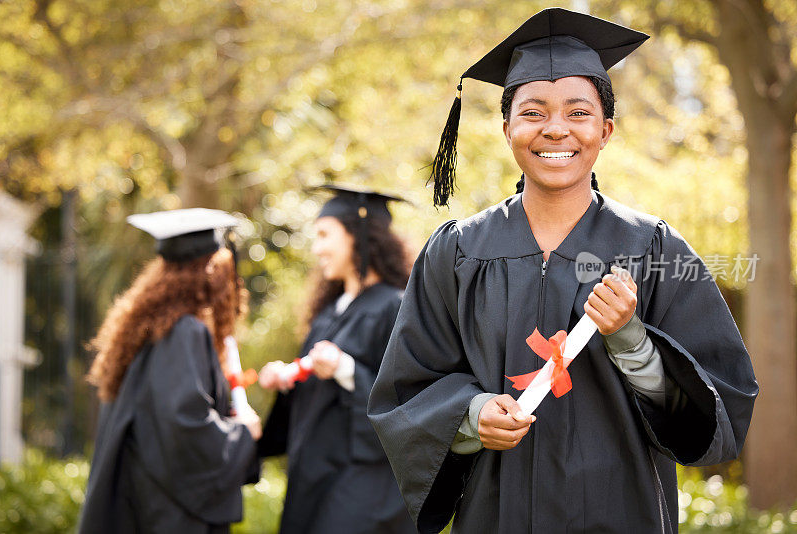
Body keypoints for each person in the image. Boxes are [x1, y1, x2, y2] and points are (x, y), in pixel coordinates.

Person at [367, 8, 758, 534]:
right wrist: (470, 414)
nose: (555, 129)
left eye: (578, 113)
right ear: (507, 128)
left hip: (620, 511)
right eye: (532, 112)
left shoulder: (654, 248)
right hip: (496, 512)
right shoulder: (458, 252)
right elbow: (406, 389)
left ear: (606, 130)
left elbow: (714, 410)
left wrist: (632, 341)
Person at [80, 208, 262, 534]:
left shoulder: (145, 328)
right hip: (168, 511)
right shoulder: (185, 331)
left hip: (139, 494)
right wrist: (242, 434)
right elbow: (185, 426)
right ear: (207, 267)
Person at [258, 185, 417, 534]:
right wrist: (290, 379)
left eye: (325, 235)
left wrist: (346, 370)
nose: (317, 249)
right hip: (316, 473)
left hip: (365, 482)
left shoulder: (395, 306)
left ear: (358, 236)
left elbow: (407, 403)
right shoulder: (330, 312)